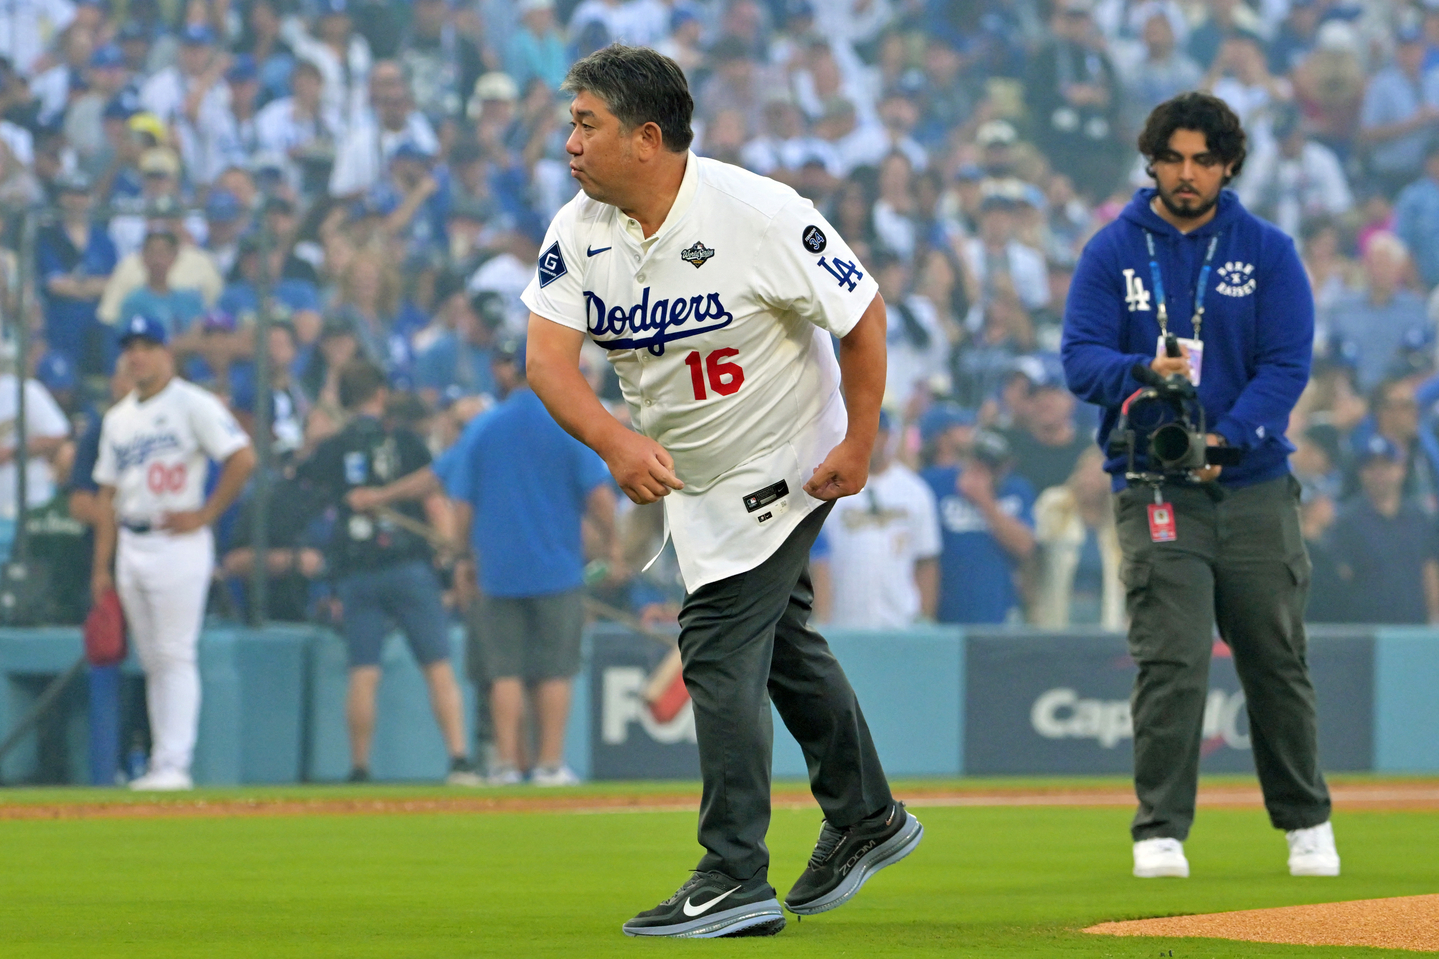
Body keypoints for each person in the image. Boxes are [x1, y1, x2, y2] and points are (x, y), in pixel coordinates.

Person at [523, 46, 921, 938]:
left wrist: (859, 440)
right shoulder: (578, 230)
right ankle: (867, 814)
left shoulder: (758, 212)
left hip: (784, 456)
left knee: (713, 640)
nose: (570, 143)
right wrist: (614, 437)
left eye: (586, 124)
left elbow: (861, 316)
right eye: (572, 123)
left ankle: (732, 870)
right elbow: (546, 361)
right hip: (692, 474)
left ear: (647, 137)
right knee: (779, 641)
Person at [1061, 92, 1338, 881]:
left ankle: (1304, 821)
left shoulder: (1269, 250)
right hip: (1152, 481)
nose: (1187, 175)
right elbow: (1078, 358)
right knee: (1171, 659)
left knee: (1274, 657)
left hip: (1252, 482)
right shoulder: (1111, 250)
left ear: (1227, 166)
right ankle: (1159, 830)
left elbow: (1287, 365)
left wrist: (1230, 434)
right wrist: (1140, 371)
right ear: (1151, 160)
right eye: (1174, 158)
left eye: (1204, 161)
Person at [351, 341, 618, 785]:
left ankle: (507, 764)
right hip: (557, 567)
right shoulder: (571, 424)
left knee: (505, 673)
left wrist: (459, 551)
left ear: (512, 374)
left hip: (497, 570)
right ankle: (550, 765)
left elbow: (457, 496)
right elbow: (599, 498)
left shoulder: (483, 427)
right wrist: (612, 545)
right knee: (554, 670)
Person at [89, 315, 257, 790]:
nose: (137, 354)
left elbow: (243, 458)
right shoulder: (118, 418)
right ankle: (163, 761)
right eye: (131, 346)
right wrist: (102, 564)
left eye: (147, 345)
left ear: (167, 352)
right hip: (132, 539)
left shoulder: (192, 403)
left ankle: (174, 764)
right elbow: (106, 495)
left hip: (178, 539)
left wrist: (205, 515)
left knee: (175, 653)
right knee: (151, 658)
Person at [295, 359, 479, 785]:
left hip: (357, 570)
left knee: (364, 671)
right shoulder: (407, 442)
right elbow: (434, 500)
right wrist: (448, 553)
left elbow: (303, 475)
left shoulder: (335, 447)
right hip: (409, 565)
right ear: (380, 394)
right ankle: (458, 759)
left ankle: (359, 766)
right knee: (438, 665)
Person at [821, 411, 940, 629]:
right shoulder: (829, 490)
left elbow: (926, 561)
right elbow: (819, 562)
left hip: (901, 624)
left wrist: (926, 620)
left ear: (887, 436)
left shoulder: (915, 490)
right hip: (843, 624)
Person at [1329, 435, 1439, 624]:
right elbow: (1342, 577)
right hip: (1365, 629)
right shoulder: (1347, 521)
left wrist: (1434, 618)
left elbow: (1429, 571)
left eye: (1386, 466)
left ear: (1401, 469)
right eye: (1371, 467)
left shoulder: (1419, 517)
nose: (1379, 473)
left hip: (1413, 627)